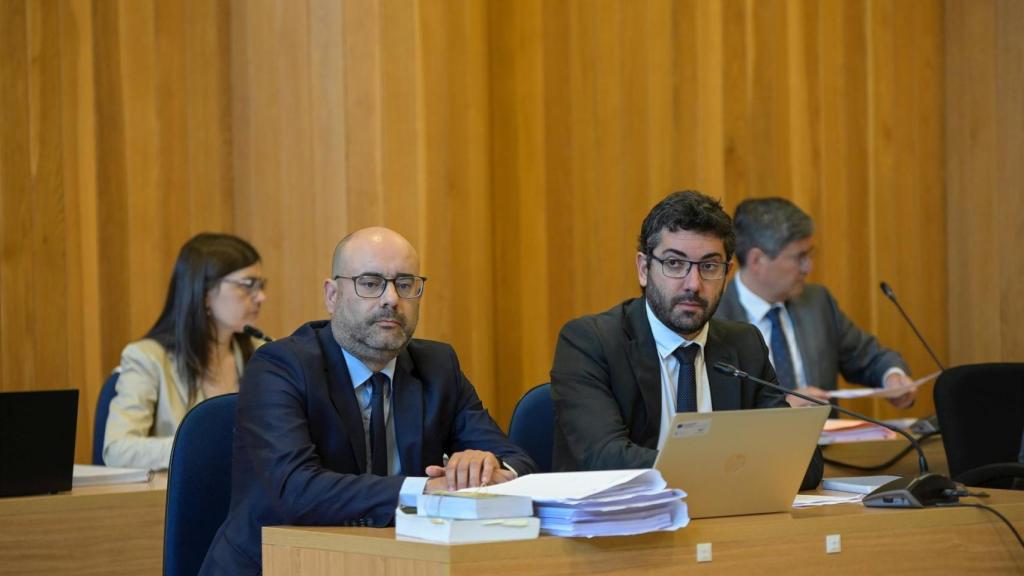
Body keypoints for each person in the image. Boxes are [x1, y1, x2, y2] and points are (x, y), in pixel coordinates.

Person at [200, 227, 536, 576]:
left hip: (396, 564)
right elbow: (297, 490)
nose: (391, 298)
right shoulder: (281, 366)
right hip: (283, 564)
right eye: (371, 283)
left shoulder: (438, 367)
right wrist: (425, 490)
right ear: (332, 295)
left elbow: (519, 463)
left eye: (405, 284)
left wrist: (486, 468)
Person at [550, 190, 823, 490]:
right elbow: (605, 460)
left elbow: (803, 464)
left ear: (727, 272)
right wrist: (728, 468)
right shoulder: (592, 343)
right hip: (622, 529)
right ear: (644, 269)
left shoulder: (744, 345)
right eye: (675, 264)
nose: (693, 284)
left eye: (709, 266)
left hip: (727, 527)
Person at [714, 197, 915, 409]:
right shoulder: (714, 319)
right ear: (757, 260)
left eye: (809, 255)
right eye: (799, 257)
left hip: (827, 440)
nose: (808, 267)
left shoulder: (817, 304)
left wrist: (892, 375)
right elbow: (715, 414)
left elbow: (869, 358)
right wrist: (780, 408)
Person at [103, 233, 268, 471]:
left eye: (261, 285)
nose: (261, 296)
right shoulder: (147, 358)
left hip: (251, 499)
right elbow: (117, 449)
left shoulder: (261, 354)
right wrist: (199, 447)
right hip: (180, 501)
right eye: (247, 285)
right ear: (204, 294)